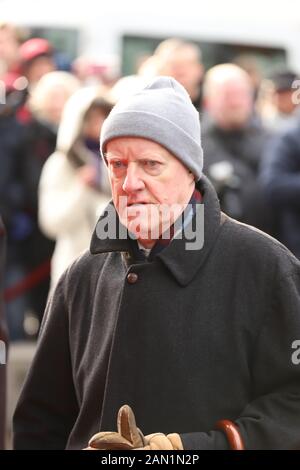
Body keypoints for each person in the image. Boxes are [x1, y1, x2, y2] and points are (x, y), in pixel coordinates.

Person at [13, 77, 300, 450]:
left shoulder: (265, 266)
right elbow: (40, 421)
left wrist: (195, 447)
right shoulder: (81, 277)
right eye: (117, 165)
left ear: (189, 170)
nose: (130, 182)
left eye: (151, 164)